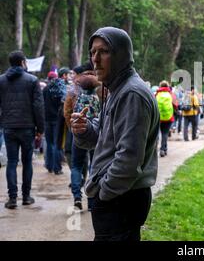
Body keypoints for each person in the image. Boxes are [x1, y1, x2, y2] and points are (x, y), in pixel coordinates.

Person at [70, 27, 159, 241]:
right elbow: (102, 136)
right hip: (118, 197)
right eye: (92, 52)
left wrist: (104, 192)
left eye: (104, 51)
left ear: (121, 54)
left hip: (121, 199)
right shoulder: (116, 89)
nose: (96, 59)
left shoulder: (131, 93)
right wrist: (83, 129)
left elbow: (128, 158)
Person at [0, 51, 45, 209]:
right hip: (27, 127)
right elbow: (38, 106)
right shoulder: (32, 80)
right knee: (27, 162)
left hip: (9, 127)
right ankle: (26, 197)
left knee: (11, 162)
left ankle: (12, 199)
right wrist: (40, 128)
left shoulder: (1, 80)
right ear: (23, 62)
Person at [64, 62, 101, 210]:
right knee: (95, 165)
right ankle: (92, 201)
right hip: (96, 134)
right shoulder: (101, 91)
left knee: (76, 165)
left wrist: (73, 127)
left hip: (77, 132)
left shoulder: (74, 91)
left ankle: (77, 196)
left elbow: (67, 112)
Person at [43, 71, 66, 174]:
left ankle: (49, 166)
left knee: (49, 143)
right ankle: (57, 168)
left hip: (47, 119)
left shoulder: (45, 89)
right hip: (57, 119)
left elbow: (41, 104)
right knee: (57, 144)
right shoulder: (60, 89)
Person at [155, 80, 177, 157]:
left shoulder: (157, 94)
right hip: (168, 117)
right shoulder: (171, 94)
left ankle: (155, 149)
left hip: (158, 118)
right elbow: (175, 105)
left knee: (157, 133)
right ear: (167, 86)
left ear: (160, 86)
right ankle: (163, 149)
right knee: (165, 133)